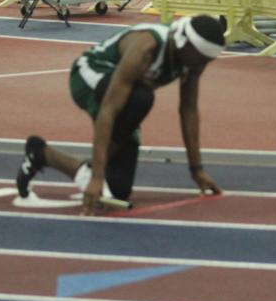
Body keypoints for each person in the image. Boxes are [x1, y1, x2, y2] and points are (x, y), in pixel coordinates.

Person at [15, 15, 225, 216]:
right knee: (142, 98)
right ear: (184, 44)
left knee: (117, 191)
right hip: (89, 76)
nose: (201, 67)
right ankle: (93, 170)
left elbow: (188, 110)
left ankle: (41, 153)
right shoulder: (147, 46)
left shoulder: (192, 59)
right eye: (200, 60)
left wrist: (196, 169)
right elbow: (109, 109)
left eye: (207, 61)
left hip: (127, 95)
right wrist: (97, 177)